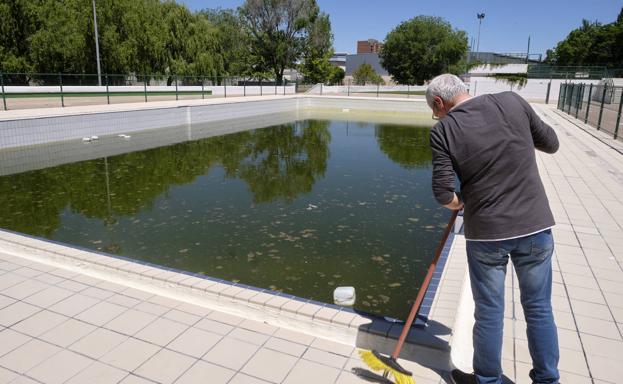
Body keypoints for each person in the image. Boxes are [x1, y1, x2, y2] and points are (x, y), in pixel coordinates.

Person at [426, 74, 560, 384]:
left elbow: (444, 194)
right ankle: (547, 380)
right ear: (466, 90)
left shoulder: (443, 130)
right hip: (535, 226)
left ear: (439, 103)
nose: (435, 116)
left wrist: (459, 204)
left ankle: (487, 380)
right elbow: (550, 143)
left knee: (489, 312)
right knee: (539, 308)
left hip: (487, 234)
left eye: (434, 110)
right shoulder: (513, 101)